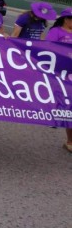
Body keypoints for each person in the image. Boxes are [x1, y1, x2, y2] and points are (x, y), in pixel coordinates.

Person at [44, 8, 72, 153]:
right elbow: (47, 49)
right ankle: (54, 115)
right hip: (59, 73)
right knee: (61, 98)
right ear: (65, 19)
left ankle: (70, 141)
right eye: (70, 18)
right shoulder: (56, 31)